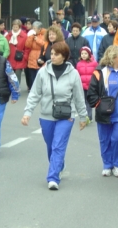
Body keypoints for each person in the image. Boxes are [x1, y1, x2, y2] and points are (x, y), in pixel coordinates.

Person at [21, 42, 87, 190]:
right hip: (46, 115)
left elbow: (78, 97)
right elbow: (34, 94)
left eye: (56, 54)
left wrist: (83, 117)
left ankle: (53, 178)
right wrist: (27, 112)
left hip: (66, 116)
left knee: (58, 145)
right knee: (51, 146)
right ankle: (59, 165)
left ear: (64, 56)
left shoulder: (73, 73)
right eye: (51, 53)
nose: (53, 56)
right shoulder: (43, 72)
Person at [87, 46, 118, 177]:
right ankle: (107, 164)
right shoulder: (100, 72)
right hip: (104, 114)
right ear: (113, 57)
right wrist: (99, 105)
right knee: (105, 140)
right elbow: (91, 93)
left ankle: (117, 164)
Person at [76, 46, 98, 124]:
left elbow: (97, 74)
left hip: (91, 86)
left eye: (85, 53)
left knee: (89, 102)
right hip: (82, 86)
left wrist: (95, 84)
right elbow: (77, 75)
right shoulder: (79, 64)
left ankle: (88, 117)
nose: (84, 55)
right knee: (83, 101)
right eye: (82, 53)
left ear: (89, 54)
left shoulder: (94, 63)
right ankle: (85, 116)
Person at [6, 19, 30, 87]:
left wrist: (25, 56)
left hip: (20, 58)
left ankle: (16, 88)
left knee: (17, 74)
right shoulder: (8, 36)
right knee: (10, 74)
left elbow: (27, 48)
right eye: (14, 27)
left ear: (19, 27)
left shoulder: (24, 36)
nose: (15, 28)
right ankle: (11, 87)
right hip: (10, 58)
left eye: (16, 27)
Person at [25, 21, 46, 89]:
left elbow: (44, 44)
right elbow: (27, 45)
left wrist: (37, 40)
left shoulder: (44, 35)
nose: (33, 30)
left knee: (40, 76)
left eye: (35, 28)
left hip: (40, 56)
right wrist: (31, 37)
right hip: (32, 56)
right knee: (32, 76)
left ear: (39, 29)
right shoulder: (31, 35)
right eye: (33, 28)